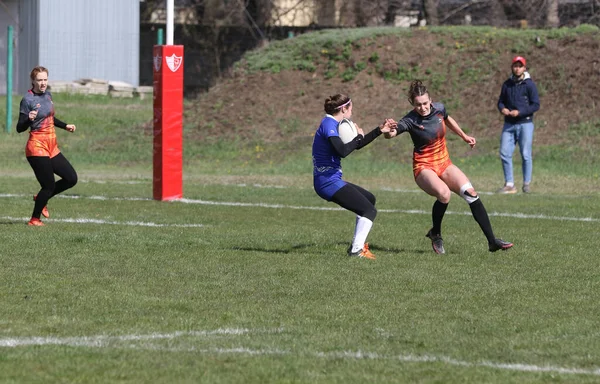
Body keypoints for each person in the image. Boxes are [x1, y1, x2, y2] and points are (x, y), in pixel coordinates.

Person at [385, 80, 513, 254]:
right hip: (424, 167)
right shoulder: (410, 119)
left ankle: (492, 241)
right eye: (418, 105)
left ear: (430, 100)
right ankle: (435, 233)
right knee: (444, 194)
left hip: (444, 163)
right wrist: (387, 131)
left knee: (471, 194)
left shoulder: (439, 109)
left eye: (425, 103)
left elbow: (447, 119)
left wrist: (464, 136)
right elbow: (393, 133)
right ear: (412, 104)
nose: (422, 108)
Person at [312, 94, 394, 260]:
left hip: (331, 180)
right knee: (369, 210)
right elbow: (343, 151)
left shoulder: (333, 124)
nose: (352, 111)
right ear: (343, 108)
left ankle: (358, 245)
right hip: (327, 182)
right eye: (351, 108)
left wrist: (379, 130)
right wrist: (357, 137)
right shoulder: (329, 124)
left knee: (369, 199)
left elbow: (355, 145)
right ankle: (356, 251)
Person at [16, 66, 78, 226]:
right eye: (39, 80)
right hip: (37, 146)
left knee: (71, 178)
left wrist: (65, 126)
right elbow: (19, 128)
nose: (43, 83)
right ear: (33, 81)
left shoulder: (48, 96)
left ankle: (41, 198)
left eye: (45, 79)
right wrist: (28, 119)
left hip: (52, 145)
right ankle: (34, 219)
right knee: (48, 185)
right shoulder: (27, 100)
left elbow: (50, 118)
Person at [496, 56, 540, 194]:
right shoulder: (507, 84)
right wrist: (502, 108)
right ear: (512, 67)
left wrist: (520, 112)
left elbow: (536, 105)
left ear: (524, 68)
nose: (517, 68)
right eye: (515, 65)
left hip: (525, 123)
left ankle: (526, 183)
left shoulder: (529, 85)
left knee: (526, 154)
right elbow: (501, 101)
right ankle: (509, 184)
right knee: (504, 153)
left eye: (520, 66)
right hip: (509, 124)